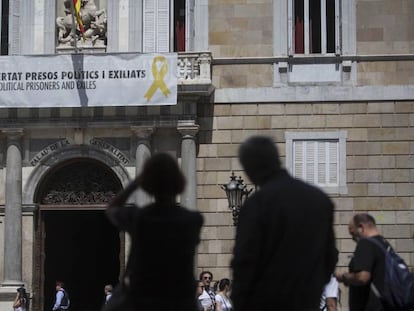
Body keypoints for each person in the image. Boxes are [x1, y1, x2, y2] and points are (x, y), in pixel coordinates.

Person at [231, 136, 338, 311]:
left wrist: (241, 302)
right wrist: (313, 287)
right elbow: (330, 255)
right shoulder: (319, 199)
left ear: (251, 168)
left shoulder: (257, 204)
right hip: (307, 301)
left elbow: (244, 261)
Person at [106, 153, 203, 311]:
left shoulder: (139, 218)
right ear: (180, 182)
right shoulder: (192, 220)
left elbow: (112, 209)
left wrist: (136, 182)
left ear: (147, 184)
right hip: (180, 300)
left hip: (143, 299)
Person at [334, 213, 387, 311]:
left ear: (361, 227)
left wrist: (343, 277)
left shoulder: (366, 243)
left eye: (352, 233)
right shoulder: (384, 244)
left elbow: (363, 277)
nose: (352, 238)